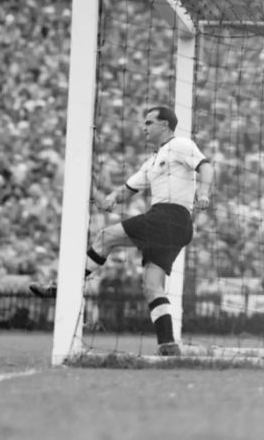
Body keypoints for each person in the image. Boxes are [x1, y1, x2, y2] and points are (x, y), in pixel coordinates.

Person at [30, 106, 214, 356]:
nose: (144, 127)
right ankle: (167, 345)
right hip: (173, 227)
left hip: (169, 216)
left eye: (149, 122)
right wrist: (109, 200)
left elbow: (206, 166)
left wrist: (203, 193)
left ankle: (63, 287)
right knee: (151, 286)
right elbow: (126, 190)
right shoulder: (152, 161)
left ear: (165, 125)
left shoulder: (180, 144)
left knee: (105, 237)